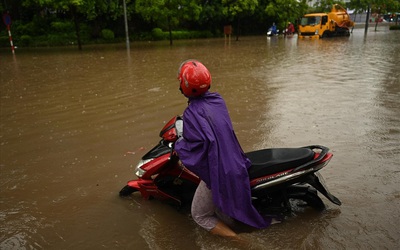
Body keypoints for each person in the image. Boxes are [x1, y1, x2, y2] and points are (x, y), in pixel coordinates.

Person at [174, 60, 273, 238]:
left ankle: (241, 242)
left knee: (200, 215)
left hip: (219, 170)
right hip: (236, 161)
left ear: (184, 86)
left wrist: (179, 145)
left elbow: (196, 149)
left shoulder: (191, 115)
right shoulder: (217, 100)